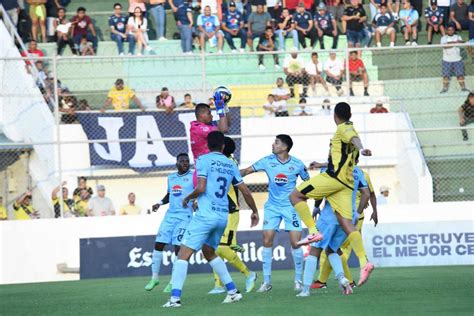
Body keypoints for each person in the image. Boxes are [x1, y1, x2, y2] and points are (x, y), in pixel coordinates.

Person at [162, 131, 260, 308]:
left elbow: (201, 187)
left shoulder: (203, 160)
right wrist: (254, 211)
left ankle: (174, 299)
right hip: (222, 217)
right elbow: (245, 190)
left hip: (205, 216)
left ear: (208, 145)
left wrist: (188, 198)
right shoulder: (230, 164)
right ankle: (232, 292)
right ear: (223, 146)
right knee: (209, 252)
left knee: (182, 255)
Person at [289, 102, 374, 286]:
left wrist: (361, 148)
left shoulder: (343, 127)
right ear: (349, 113)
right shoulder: (350, 128)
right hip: (346, 185)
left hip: (334, 179)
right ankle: (363, 262)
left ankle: (313, 232)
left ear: (334, 116)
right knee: (346, 225)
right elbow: (348, 146)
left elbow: (353, 139)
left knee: (295, 196)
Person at [240, 134, 309, 292]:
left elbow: (308, 183)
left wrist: (303, 199)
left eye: (276, 142)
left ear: (284, 147)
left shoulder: (297, 164)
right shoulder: (267, 160)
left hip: (291, 207)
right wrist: (232, 173)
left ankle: (298, 280)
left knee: (295, 242)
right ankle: (267, 282)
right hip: (272, 207)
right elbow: (247, 170)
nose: (273, 144)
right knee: (267, 240)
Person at [298, 166, 371, 297]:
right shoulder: (358, 172)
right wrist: (357, 213)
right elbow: (366, 193)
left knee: (314, 251)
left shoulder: (328, 169)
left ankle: (306, 289)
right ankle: (343, 279)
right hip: (347, 218)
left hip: (328, 217)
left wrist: (315, 207)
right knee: (332, 249)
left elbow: (320, 191)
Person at [208, 137, 258, 294]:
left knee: (221, 249)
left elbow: (242, 189)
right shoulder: (222, 161)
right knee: (214, 249)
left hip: (230, 211)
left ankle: (249, 274)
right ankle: (218, 285)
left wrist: (254, 210)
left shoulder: (228, 163)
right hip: (218, 210)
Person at [145, 154, 194, 292]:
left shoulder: (193, 176)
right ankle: (154, 278)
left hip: (185, 216)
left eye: (187, 161)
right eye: (182, 161)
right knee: (158, 244)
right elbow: (169, 194)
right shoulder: (171, 177)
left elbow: (200, 191)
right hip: (170, 215)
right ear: (177, 163)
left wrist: (195, 202)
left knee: (178, 248)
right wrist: (159, 203)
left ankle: (173, 282)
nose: (185, 163)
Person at [440, 25, 468, 93]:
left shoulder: (458, 37)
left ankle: (463, 88)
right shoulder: (444, 38)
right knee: (446, 75)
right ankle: (444, 88)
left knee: (460, 75)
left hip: (457, 59)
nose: (450, 31)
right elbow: (445, 46)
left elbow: (462, 43)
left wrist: (453, 43)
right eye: (449, 30)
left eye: (452, 30)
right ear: (447, 30)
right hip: (446, 60)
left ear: (454, 30)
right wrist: (455, 42)